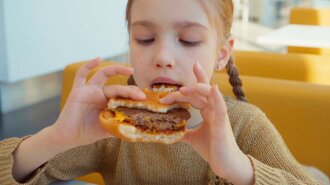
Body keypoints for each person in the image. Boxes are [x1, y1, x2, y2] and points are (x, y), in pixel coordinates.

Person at [0, 0, 322, 184]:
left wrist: (239, 169)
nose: (163, 58)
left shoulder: (245, 126)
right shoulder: (111, 128)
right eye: (144, 39)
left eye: (188, 41)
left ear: (222, 54)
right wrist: (55, 139)